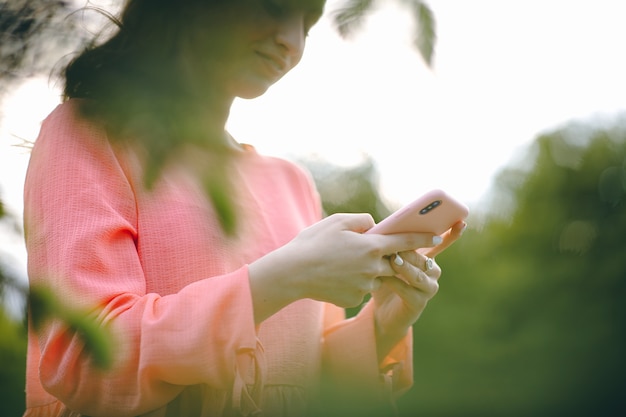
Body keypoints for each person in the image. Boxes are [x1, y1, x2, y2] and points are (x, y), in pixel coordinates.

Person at [22, 0, 466, 416]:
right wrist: (283, 278)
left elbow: (298, 378)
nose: (292, 42)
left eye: (307, 26)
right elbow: (84, 360)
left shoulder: (291, 183)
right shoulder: (85, 133)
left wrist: (381, 325)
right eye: (274, 7)